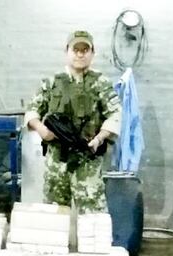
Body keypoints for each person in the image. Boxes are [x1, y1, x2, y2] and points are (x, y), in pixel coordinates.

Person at [24, 30, 121, 213]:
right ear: (67, 51)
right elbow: (32, 110)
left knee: (93, 216)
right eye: (75, 49)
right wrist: (42, 129)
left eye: (85, 50)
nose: (80, 54)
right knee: (55, 214)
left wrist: (99, 138)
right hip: (57, 160)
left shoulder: (101, 83)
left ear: (92, 53)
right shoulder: (52, 82)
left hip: (87, 160)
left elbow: (115, 114)